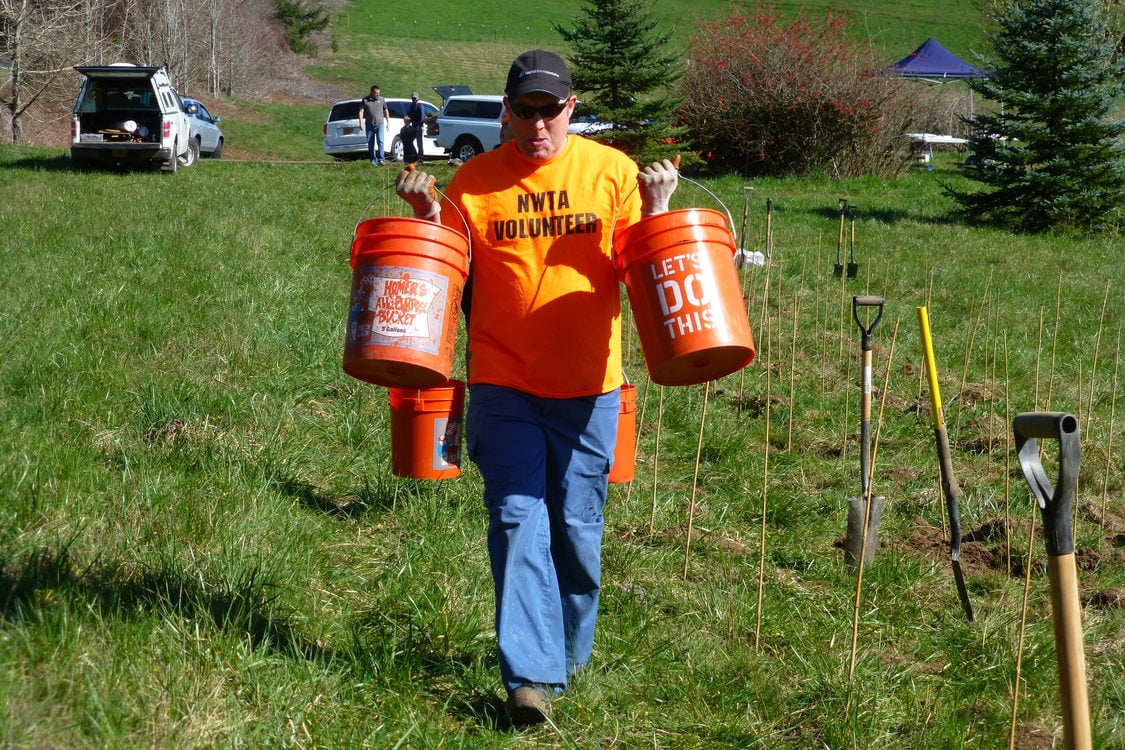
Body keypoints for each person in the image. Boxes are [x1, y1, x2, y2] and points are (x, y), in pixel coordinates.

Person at [396, 50, 679, 727]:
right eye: (524, 111)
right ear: (507, 112)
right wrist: (425, 214)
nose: (537, 124)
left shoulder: (610, 173)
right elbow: (444, 274)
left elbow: (643, 271)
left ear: (570, 109)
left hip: (589, 387)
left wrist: (658, 204)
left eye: (549, 110)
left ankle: (567, 659)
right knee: (517, 518)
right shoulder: (474, 182)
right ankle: (528, 677)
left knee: (577, 532)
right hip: (504, 381)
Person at [359, 85, 389, 165]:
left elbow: (386, 111)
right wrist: (360, 122)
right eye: (376, 93)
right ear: (372, 92)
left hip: (380, 125)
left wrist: (388, 122)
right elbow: (361, 111)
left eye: (378, 93)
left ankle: (381, 159)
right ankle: (373, 160)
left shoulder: (381, 100)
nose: (377, 95)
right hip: (369, 125)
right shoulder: (365, 100)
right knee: (370, 143)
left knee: (380, 141)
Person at [406, 91, 426, 162]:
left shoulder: (420, 106)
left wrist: (419, 125)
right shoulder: (412, 105)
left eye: (415, 98)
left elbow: (422, 117)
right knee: (410, 141)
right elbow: (410, 115)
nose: (413, 99)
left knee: (419, 143)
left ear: (418, 98)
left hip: (419, 127)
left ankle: (421, 158)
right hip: (413, 126)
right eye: (413, 98)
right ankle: (413, 156)